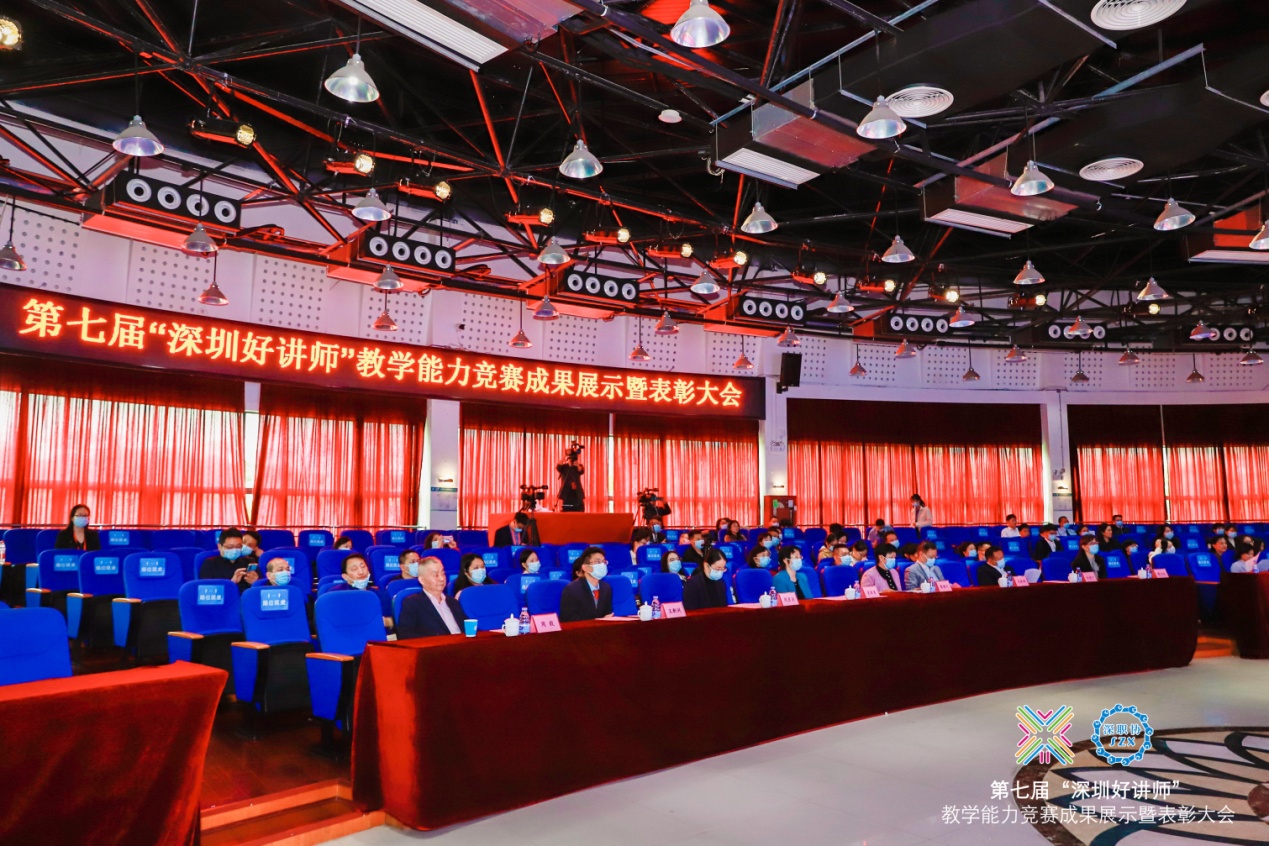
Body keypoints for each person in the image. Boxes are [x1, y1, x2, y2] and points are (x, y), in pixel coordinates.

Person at [397, 557, 468, 638]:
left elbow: (468, 627)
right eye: (436, 575)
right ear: (422, 580)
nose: (442, 578)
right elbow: (405, 634)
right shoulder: (412, 603)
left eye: (443, 573)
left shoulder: (453, 602)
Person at [558, 546, 613, 622]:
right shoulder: (571, 590)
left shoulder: (606, 588)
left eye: (604, 562)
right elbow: (568, 619)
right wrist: (597, 622)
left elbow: (608, 615)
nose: (602, 565)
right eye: (598, 562)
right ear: (585, 567)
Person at [555, 447, 585, 512]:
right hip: (566, 492)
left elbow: (581, 471)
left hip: (577, 493)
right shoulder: (564, 467)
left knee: (579, 510)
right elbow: (558, 466)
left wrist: (577, 465)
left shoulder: (578, 466)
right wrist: (565, 455)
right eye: (570, 458)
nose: (571, 460)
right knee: (566, 511)